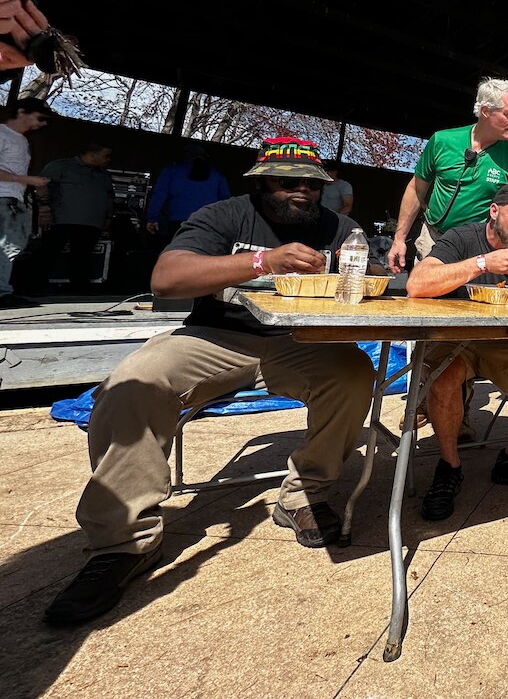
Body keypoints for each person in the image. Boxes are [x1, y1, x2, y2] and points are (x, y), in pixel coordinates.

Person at [43, 138, 377, 626]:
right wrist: (263, 262)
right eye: (289, 182)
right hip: (217, 335)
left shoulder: (339, 229)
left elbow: (369, 278)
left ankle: (305, 493)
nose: (303, 191)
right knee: (135, 381)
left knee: (354, 374)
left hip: (298, 340)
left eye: (313, 183)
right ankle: (122, 543)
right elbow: (166, 278)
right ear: (262, 182)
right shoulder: (224, 215)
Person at [406, 181, 508, 520]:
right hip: (453, 339)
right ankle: (449, 466)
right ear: (494, 212)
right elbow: (417, 284)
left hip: (501, 341)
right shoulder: (462, 237)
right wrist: (482, 263)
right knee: (445, 375)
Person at [387, 77, 508, 273]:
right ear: (486, 111)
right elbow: (416, 189)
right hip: (434, 239)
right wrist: (399, 239)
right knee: (423, 296)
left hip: (478, 247)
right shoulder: (442, 141)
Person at [38, 141, 116, 293]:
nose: (108, 160)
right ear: (92, 155)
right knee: (48, 253)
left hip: (92, 223)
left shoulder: (104, 175)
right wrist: (44, 209)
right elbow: (41, 185)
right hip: (61, 220)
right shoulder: (60, 166)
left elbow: (109, 198)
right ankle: (35, 286)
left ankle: (79, 290)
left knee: (82, 257)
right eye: (105, 156)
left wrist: (108, 218)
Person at [0, 96, 53, 306]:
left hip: (14, 197)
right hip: (4, 196)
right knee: (7, 245)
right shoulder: (2, 133)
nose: (43, 124)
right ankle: (2, 293)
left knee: (13, 245)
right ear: (22, 112)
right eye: (40, 118)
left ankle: (4, 290)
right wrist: (26, 179)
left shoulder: (22, 140)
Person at [145, 145, 231, 244]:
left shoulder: (171, 171)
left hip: (177, 224)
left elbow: (159, 195)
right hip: (208, 224)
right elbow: (225, 201)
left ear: (186, 155)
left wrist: (152, 218)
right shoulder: (217, 174)